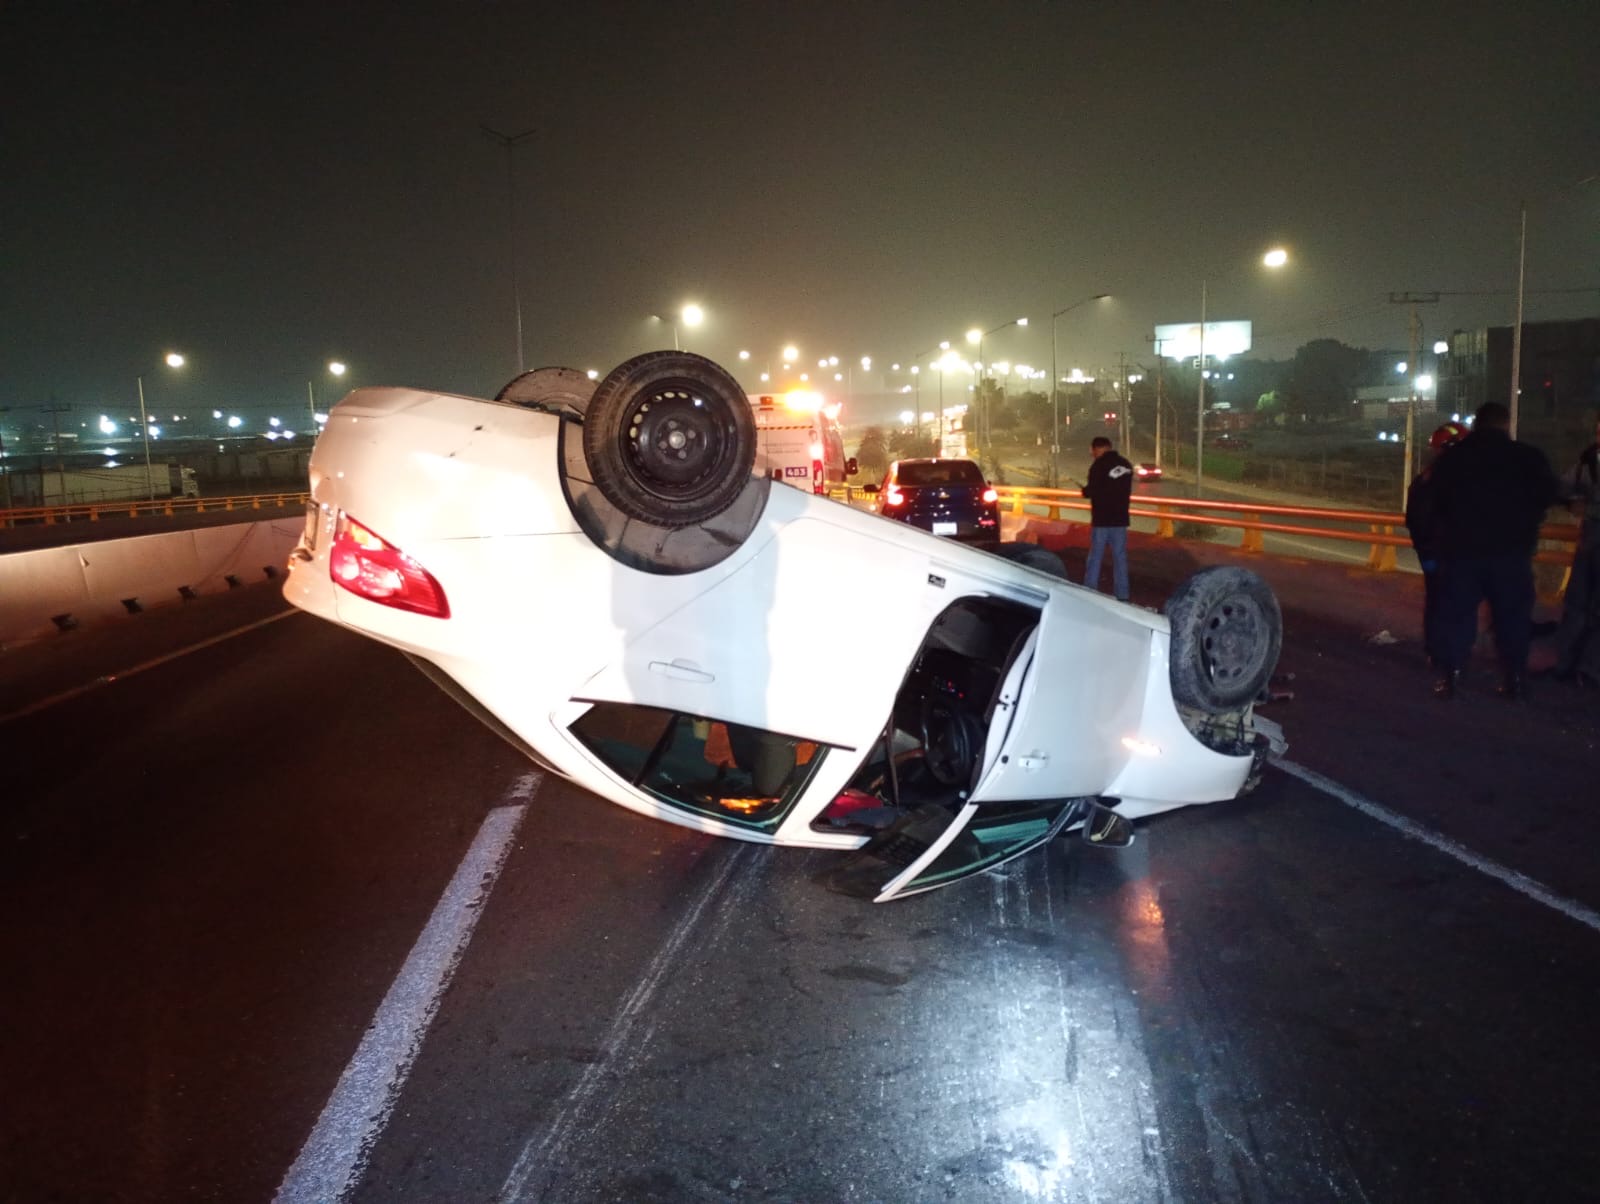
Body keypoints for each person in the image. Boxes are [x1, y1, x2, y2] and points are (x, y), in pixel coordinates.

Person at [1427, 401, 1564, 699]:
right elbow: (1550, 494)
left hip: (1462, 553)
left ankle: (1451, 677)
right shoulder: (1527, 458)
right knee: (1512, 618)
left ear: (1477, 423)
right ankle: (1514, 679)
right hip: (1511, 554)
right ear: (1505, 423)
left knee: (1458, 616)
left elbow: (1434, 502)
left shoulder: (1453, 459)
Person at [1404, 421, 1466, 667]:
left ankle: (1441, 651)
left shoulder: (1428, 479)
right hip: (1446, 554)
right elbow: (1418, 520)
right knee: (1447, 603)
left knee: (1441, 601)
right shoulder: (1444, 481)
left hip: (1441, 553)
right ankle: (1445, 654)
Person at [1550, 414, 1600, 686]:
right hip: (1589, 541)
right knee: (1577, 605)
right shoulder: (1588, 461)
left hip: (1590, 538)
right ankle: (1567, 666)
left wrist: (1587, 508)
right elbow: (1562, 487)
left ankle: (1589, 670)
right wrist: (1570, 500)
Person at [1081, 435, 1133, 602]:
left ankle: (1090, 589)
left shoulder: (1098, 466)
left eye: (1092, 450)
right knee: (1120, 557)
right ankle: (1122, 594)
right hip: (1120, 519)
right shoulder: (1126, 465)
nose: (1092, 454)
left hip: (1102, 519)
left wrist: (1085, 491)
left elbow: (1093, 490)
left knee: (1096, 555)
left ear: (1097, 449)